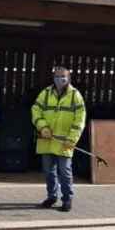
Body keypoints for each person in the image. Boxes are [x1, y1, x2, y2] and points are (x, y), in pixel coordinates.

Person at [31, 67, 86, 212]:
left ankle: (67, 199)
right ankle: (52, 196)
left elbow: (80, 120)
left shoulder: (75, 96)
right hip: (47, 139)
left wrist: (72, 139)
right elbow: (35, 110)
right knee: (49, 171)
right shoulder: (45, 93)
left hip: (65, 142)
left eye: (63, 76)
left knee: (65, 171)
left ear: (68, 78)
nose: (60, 79)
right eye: (57, 76)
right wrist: (43, 127)